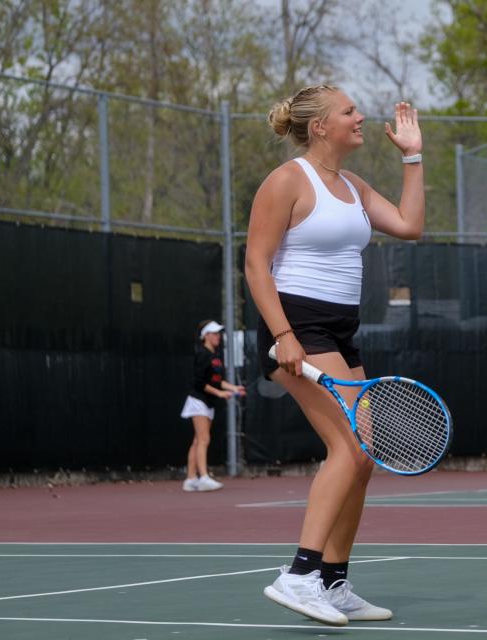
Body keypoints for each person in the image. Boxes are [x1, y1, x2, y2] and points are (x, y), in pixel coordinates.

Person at [244, 85, 425, 626]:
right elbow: (256, 264)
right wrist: (284, 334)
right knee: (347, 448)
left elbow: (410, 226)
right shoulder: (285, 181)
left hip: (341, 331)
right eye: (349, 111)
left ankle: (332, 581)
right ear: (320, 126)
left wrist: (412, 157)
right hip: (297, 326)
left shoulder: (352, 185)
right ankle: (298, 575)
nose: (360, 116)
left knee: (363, 458)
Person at [180, 320, 245, 492]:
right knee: (203, 439)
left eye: (219, 333)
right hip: (198, 400)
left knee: (197, 440)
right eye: (215, 333)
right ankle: (203, 477)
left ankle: (190, 479)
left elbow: (217, 381)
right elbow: (199, 382)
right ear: (206, 336)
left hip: (207, 402)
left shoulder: (215, 355)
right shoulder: (202, 354)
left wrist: (233, 388)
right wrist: (220, 394)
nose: (218, 336)